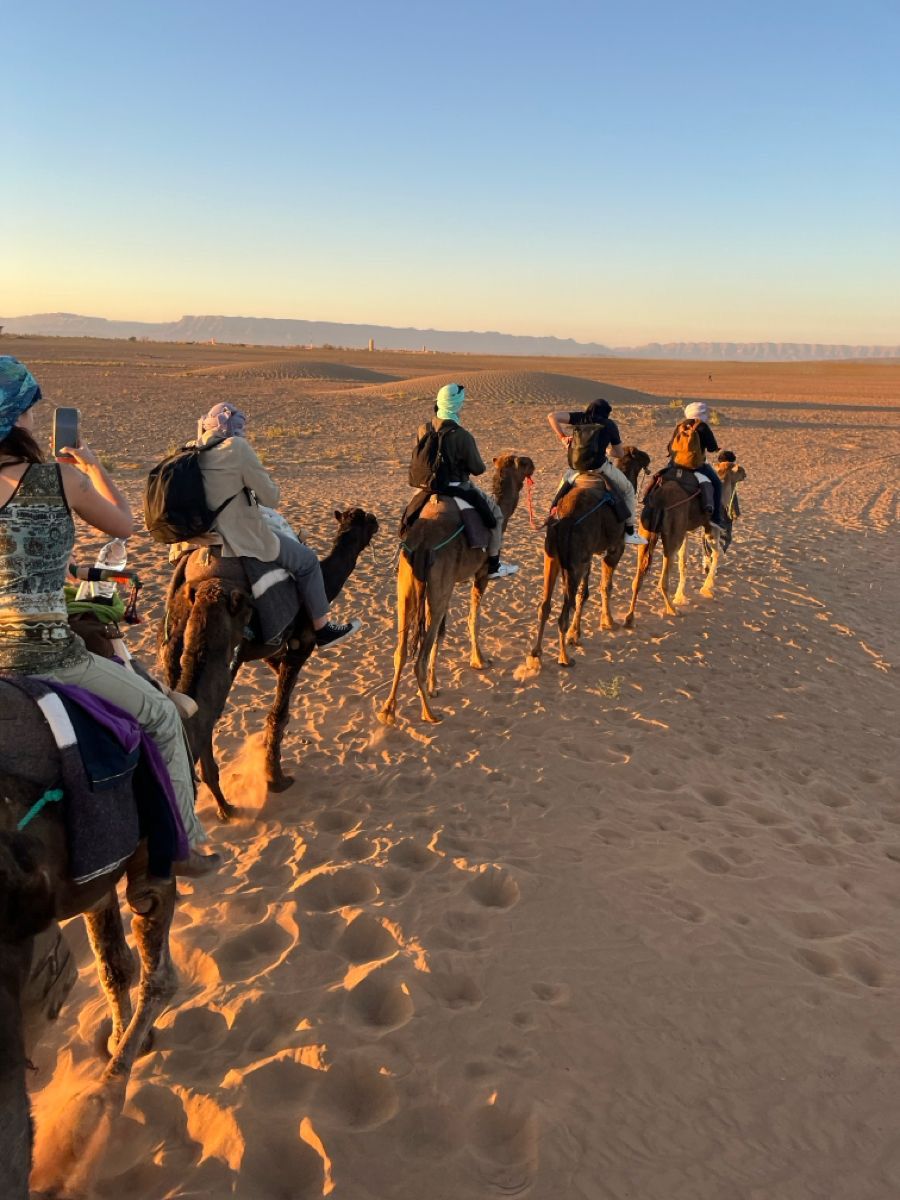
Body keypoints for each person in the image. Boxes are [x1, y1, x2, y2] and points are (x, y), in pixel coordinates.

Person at [0, 357, 217, 875]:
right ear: (15, 419)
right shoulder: (58, 481)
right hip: (46, 654)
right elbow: (124, 526)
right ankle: (184, 843)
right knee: (163, 717)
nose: (33, 420)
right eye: (29, 412)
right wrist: (92, 467)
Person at [189, 403, 361, 648]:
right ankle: (322, 629)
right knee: (307, 562)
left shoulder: (193, 448)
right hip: (235, 537)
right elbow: (270, 498)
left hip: (195, 540)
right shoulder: (236, 447)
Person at [410, 384, 518, 579]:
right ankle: (493, 565)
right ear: (457, 405)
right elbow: (478, 469)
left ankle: (403, 557)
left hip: (427, 488)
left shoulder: (423, 429)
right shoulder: (462, 435)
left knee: (409, 516)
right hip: (457, 487)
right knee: (497, 516)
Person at [546, 399, 647, 544]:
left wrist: (562, 437)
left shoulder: (580, 417)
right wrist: (606, 450)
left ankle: (552, 520)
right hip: (600, 468)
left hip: (575, 469)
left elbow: (551, 416)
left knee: (560, 492)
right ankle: (630, 531)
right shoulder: (609, 424)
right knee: (629, 490)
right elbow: (619, 454)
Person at [667, 401, 724, 529]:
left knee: (659, 477)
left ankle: (646, 501)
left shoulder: (680, 426)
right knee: (717, 484)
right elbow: (711, 448)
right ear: (700, 414)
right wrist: (716, 448)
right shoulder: (702, 427)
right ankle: (715, 518)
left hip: (676, 464)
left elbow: (670, 446)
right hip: (696, 466)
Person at [715, 450, 747, 550]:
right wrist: (732, 466)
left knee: (709, 532)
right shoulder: (733, 471)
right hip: (726, 505)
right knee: (725, 531)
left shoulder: (713, 469)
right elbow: (742, 475)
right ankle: (719, 554)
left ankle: (708, 558)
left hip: (711, 504)